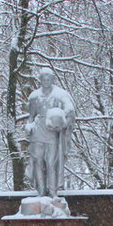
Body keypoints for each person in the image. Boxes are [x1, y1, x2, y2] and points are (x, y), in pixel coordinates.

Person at [25, 69, 76, 198]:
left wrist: (61, 123)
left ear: (53, 80)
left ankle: (53, 192)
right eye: (43, 79)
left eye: (48, 79)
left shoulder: (61, 95)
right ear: (40, 80)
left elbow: (70, 112)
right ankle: (41, 191)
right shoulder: (34, 96)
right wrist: (29, 126)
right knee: (38, 161)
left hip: (52, 132)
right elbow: (31, 117)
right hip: (38, 132)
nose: (46, 82)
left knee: (51, 162)